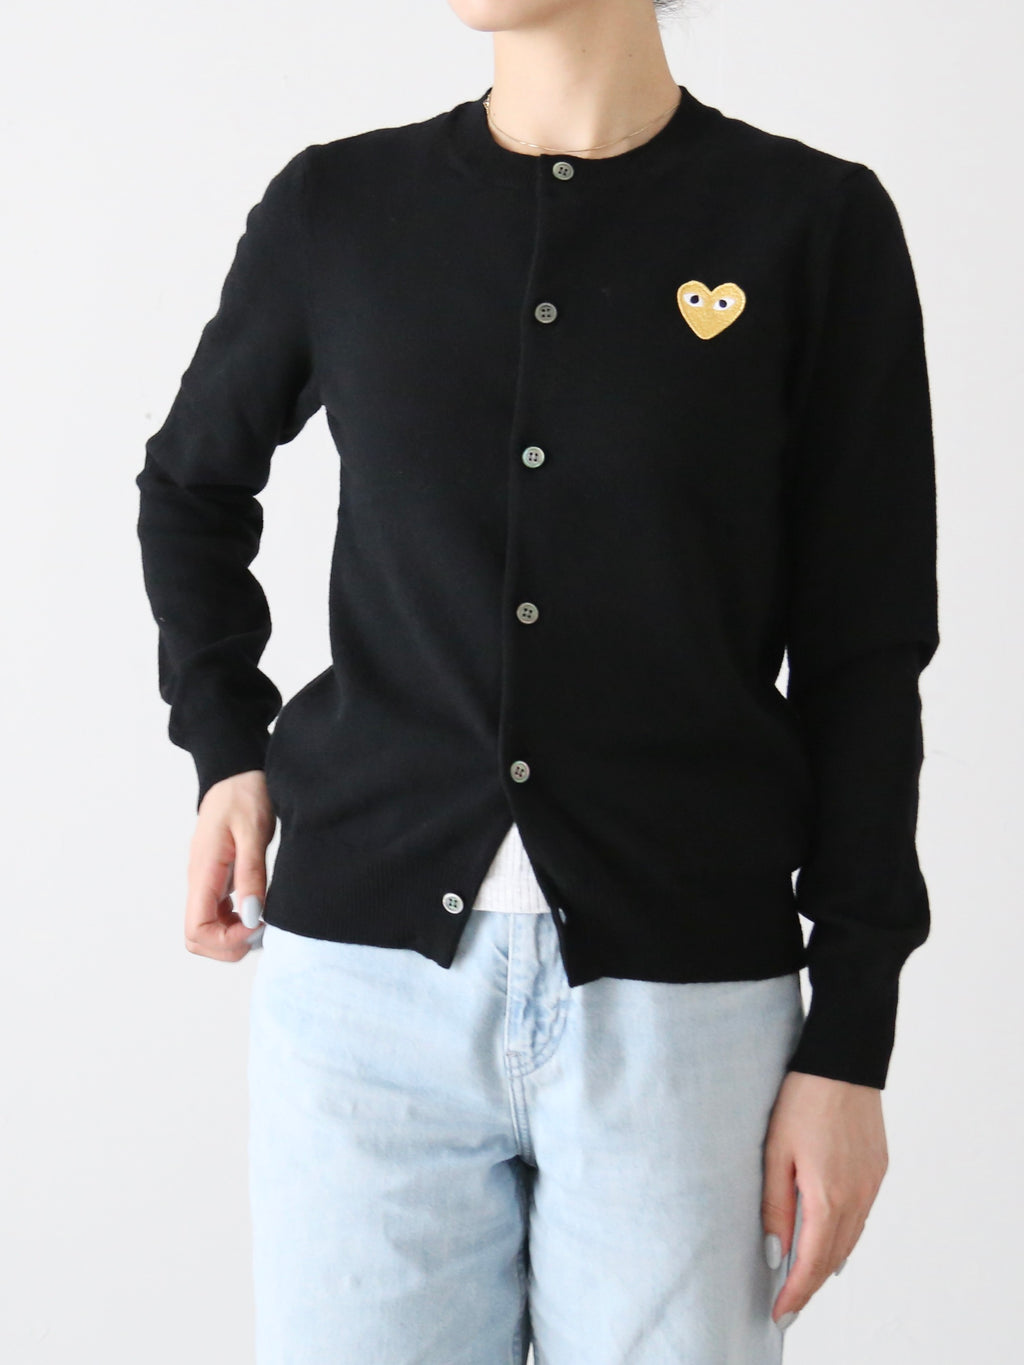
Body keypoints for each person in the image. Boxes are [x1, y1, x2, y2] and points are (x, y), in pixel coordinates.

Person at [134, 1, 939, 1360]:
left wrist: (852, 1040)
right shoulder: (340, 207)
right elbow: (190, 488)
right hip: (362, 997)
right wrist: (227, 749)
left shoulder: (811, 225)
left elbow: (867, 652)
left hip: (687, 1009)